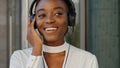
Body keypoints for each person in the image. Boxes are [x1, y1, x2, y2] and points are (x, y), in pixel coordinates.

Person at [10, 0, 99, 68]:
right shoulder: (19, 58)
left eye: (58, 14)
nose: (49, 20)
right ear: (34, 21)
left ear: (70, 19)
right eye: (42, 15)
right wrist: (36, 50)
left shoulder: (87, 60)